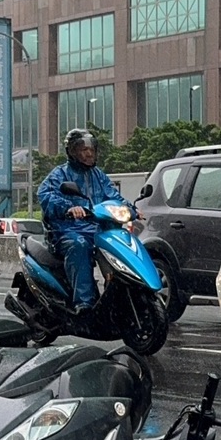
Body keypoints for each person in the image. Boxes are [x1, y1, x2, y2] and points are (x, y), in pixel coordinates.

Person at [37, 129, 133, 314]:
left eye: (91, 149)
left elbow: (113, 196)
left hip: (96, 229)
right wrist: (68, 207)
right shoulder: (60, 174)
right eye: (83, 149)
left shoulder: (99, 176)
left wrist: (131, 209)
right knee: (79, 245)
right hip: (67, 231)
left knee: (120, 243)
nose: (89, 153)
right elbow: (44, 194)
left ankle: (121, 296)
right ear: (72, 152)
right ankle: (84, 303)